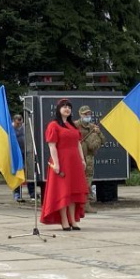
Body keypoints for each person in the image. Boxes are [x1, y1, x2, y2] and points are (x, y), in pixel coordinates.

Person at [40, 99, 88, 231]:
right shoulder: (53, 125)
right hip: (62, 161)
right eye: (64, 107)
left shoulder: (73, 126)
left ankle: (73, 219)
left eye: (69, 107)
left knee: (73, 191)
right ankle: (64, 220)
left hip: (75, 162)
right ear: (58, 109)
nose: (67, 109)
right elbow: (52, 145)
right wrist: (56, 163)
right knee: (63, 191)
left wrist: (82, 159)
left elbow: (78, 143)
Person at [74, 105, 105, 213]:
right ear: (80, 114)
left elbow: (103, 140)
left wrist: (98, 132)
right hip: (77, 157)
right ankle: (76, 205)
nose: (88, 116)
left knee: (87, 182)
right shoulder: (75, 125)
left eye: (89, 114)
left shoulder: (93, 127)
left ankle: (86, 205)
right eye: (85, 114)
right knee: (76, 182)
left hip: (89, 158)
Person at [12, 114, 37, 203]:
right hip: (16, 153)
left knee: (29, 171)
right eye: (18, 121)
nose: (19, 123)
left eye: (21, 120)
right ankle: (17, 193)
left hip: (26, 152)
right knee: (18, 172)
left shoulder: (24, 128)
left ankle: (32, 192)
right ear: (14, 120)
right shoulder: (11, 129)